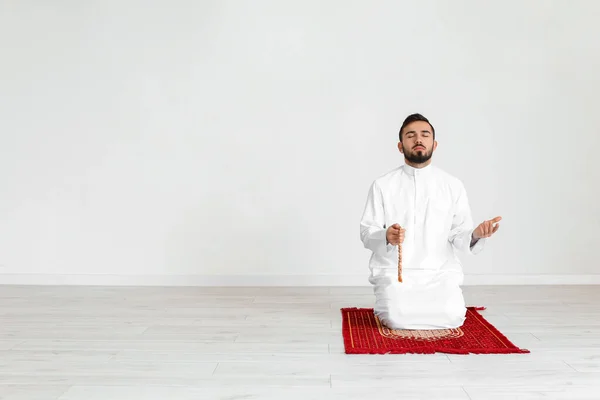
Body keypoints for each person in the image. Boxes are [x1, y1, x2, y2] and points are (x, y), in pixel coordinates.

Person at [359, 113, 501, 330]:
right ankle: (388, 303)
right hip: (397, 274)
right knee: (398, 319)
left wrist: (476, 235)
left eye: (425, 135)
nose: (418, 140)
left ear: (434, 144)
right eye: (411, 135)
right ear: (400, 146)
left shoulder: (452, 185)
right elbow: (367, 232)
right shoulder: (383, 185)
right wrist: (386, 236)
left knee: (452, 317)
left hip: (439, 273)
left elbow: (459, 234)